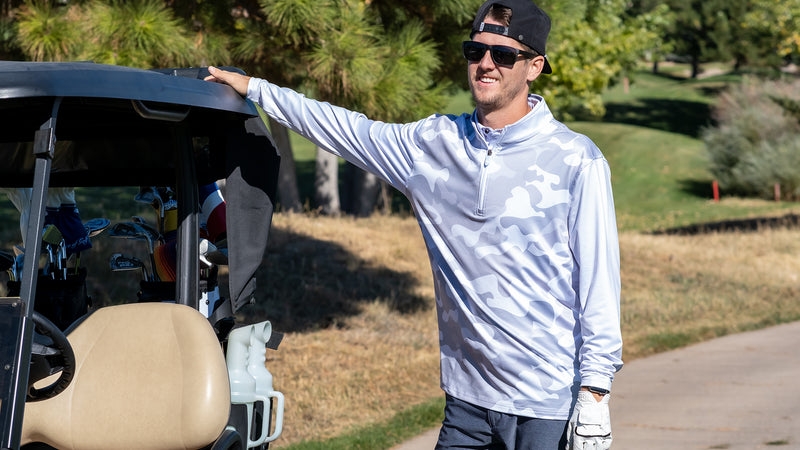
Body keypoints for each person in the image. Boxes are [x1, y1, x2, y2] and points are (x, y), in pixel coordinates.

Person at [206, 0, 622, 448]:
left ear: (534, 66)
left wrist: (595, 391)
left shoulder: (576, 160)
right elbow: (346, 130)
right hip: (467, 403)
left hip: (548, 405)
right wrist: (257, 89)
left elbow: (598, 282)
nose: (485, 64)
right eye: (475, 51)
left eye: (503, 54)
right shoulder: (432, 145)